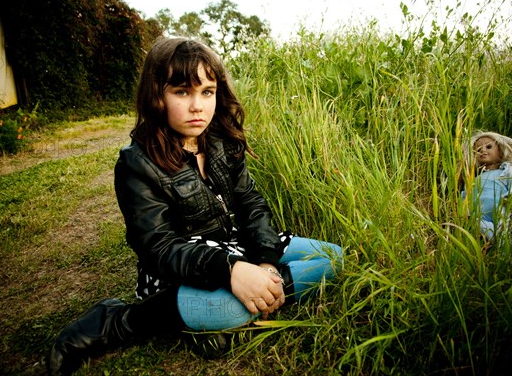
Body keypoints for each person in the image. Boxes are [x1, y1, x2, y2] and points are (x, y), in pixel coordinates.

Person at [47, 37, 342, 375]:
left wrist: (267, 265)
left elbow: (251, 204)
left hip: (235, 247)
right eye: (182, 92)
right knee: (228, 309)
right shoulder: (136, 163)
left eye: (207, 91)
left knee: (333, 258)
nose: (197, 106)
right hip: (177, 268)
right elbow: (157, 247)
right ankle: (117, 321)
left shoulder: (222, 141)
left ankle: (214, 315)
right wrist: (229, 271)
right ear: (157, 94)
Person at [460, 131, 512, 243]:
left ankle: (503, 246)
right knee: (476, 224)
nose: (483, 151)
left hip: (500, 208)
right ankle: (493, 241)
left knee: (502, 229)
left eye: (489, 147)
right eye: (478, 150)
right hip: (477, 213)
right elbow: (466, 193)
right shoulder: (475, 177)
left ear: (500, 151)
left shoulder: (506, 169)